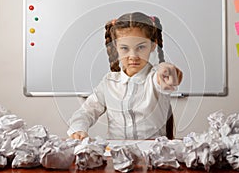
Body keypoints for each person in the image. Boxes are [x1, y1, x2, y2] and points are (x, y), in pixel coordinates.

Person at [67, 12, 183, 140]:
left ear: (153, 46)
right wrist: (78, 128)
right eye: (125, 48)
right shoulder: (109, 83)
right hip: (117, 155)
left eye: (141, 47)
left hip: (152, 154)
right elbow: (87, 111)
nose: (133, 56)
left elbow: (164, 79)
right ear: (116, 47)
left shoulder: (155, 78)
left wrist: (166, 71)